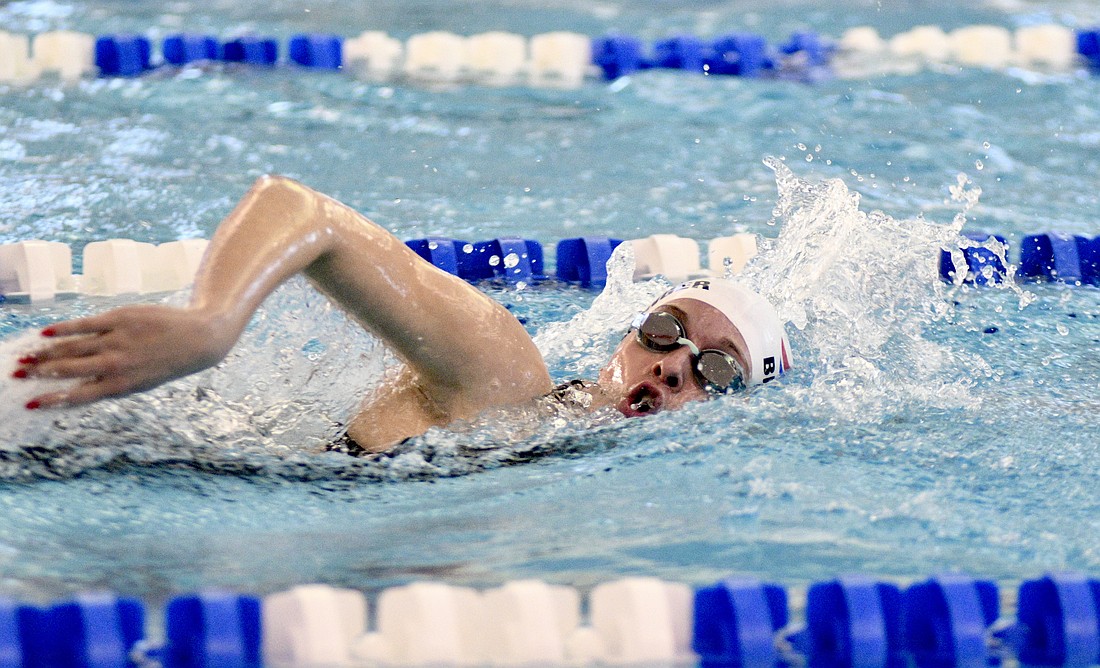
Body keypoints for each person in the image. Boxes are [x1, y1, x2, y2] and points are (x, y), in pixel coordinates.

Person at [11, 176, 792, 453]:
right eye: (668, 331)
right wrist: (209, 323)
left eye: (714, 371)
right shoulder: (503, 370)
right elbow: (299, 209)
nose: (674, 363)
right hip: (83, 424)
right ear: (629, 334)